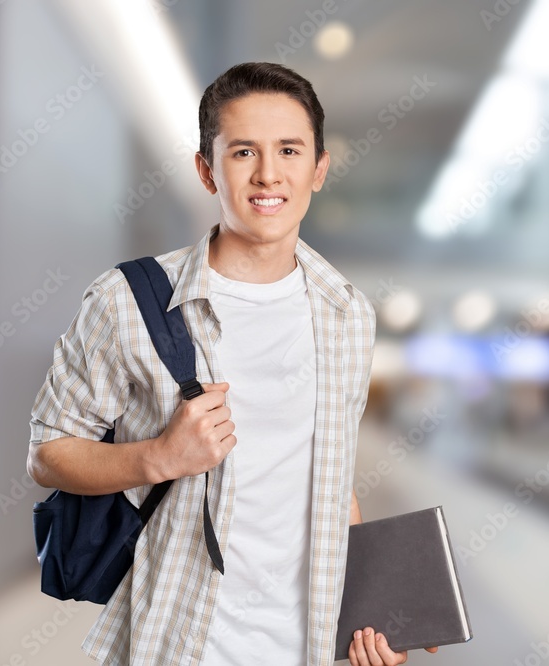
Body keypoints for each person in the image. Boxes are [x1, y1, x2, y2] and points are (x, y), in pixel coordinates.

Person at [27, 62, 437, 665]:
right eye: (243, 151)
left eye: (290, 150)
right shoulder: (126, 302)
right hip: (180, 638)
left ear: (318, 169)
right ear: (206, 169)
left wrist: (370, 610)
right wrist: (159, 457)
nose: (269, 174)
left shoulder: (347, 313)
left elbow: (332, 482)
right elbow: (47, 454)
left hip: (308, 644)